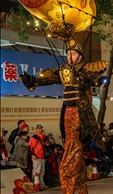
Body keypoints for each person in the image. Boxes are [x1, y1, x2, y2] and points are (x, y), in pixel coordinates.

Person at [19, 45, 106, 194]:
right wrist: (29, 79)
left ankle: (68, 188)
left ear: (80, 57)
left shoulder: (85, 69)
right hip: (68, 112)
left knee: (70, 154)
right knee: (76, 153)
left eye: (73, 54)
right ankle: (81, 190)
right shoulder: (62, 71)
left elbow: (95, 77)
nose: (69, 57)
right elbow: (45, 78)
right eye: (68, 54)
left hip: (81, 113)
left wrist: (100, 80)